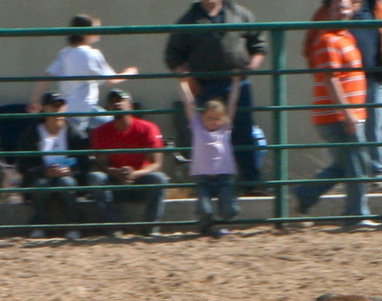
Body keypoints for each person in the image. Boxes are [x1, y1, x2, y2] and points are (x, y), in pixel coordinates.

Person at [164, 0, 267, 193]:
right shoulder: (187, 21)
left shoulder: (241, 15)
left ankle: (251, 183)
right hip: (205, 85)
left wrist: (249, 69)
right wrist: (187, 78)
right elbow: (173, 56)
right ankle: (210, 186)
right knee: (207, 135)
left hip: (237, 83)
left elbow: (259, 45)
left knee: (243, 132)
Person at [293, 0, 377, 229]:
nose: (343, 11)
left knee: (346, 164)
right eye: (337, 7)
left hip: (343, 114)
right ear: (327, 11)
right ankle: (356, 214)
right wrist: (347, 113)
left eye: (346, 7)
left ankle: (305, 194)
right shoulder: (327, 40)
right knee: (358, 163)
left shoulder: (345, 37)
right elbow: (331, 79)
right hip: (337, 116)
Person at [309, 0, 382, 192]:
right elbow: (311, 44)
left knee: (374, 128)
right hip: (343, 81)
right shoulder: (329, 9)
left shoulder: (378, 7)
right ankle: (354, 185)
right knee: (350, 137)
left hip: (374, 77)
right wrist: (324, 71)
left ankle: (375, 177)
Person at [29, 14, 138, 136]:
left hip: (68, 110)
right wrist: (129, 72)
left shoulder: (64, 54)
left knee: (85, 137)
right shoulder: (91, 54)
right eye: (96, 29)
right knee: (117, 126)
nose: (99, 32)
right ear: (86, 32)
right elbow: (112, 80)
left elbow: (47, 75)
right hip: (86, 109)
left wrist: (35, 99)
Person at [86, 89, 169, 235]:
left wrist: (134, 174)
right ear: (108, 108)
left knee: (160, 179)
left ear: (130, 105)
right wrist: (116, 172)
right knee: (96, 178)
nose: (117, 104)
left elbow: (156, 164)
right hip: (115, 182)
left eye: (121, 100)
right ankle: (112, 227)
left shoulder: (147, 128)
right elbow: (102, 164)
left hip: (140, 180)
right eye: (113, 101)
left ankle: (150, 228)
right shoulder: (100, 132)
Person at [16, 92, 91, 240]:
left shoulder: (75, 133)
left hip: (68, 175)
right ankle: (39, 224)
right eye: (53, 106)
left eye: (61, 106)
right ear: (45, 108)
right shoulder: (32, 133)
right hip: (41, 174)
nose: (58, 110)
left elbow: (83, 160)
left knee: (67, 183)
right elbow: (24, 163)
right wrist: (44, 170)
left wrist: (69, 169)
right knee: (40, 185)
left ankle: (73, 225)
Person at [178, 77, 241, 237]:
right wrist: (183, 83)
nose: (213, 122)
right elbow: (189, 104)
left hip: (223, 177)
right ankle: (206, 225)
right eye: (209, 118)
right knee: (205, 210)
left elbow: (232, 105)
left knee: (230, 211)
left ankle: (221, 222)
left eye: (217, 118)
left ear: (223, 119)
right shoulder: (198, 127)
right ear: (202, 118)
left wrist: (235, 83)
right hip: (203, 178)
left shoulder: (225, 129)